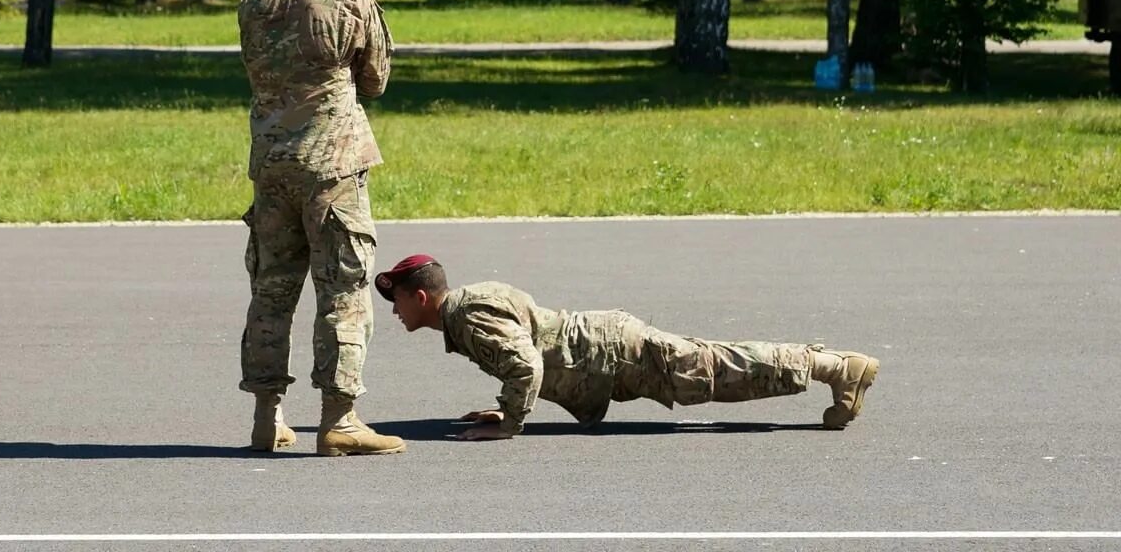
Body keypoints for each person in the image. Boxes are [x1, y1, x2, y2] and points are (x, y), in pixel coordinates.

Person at [374, 254, 879, 440]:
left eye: (397, 301)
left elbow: (525, 361)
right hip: (607, 348)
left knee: (717, 372)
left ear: (421, 297)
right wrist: (505, 403)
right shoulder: (468, 304)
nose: (395, 312)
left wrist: (509, 421)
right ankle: (833, 368)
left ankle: (834, 368)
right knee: (716, 370)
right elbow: (524, 354)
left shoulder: (466, 314)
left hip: (613, 354)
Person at [237, 0, 404, 457]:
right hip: (332, 168)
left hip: (271, 167)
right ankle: (340, 419)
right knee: (343, 291)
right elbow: (376, 80)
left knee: (271, 291)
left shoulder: (253, 1)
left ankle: (268, 419)